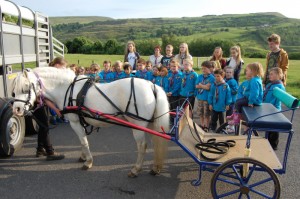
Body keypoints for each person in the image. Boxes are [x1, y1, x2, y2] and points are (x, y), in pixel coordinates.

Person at [34, 57, 66, 160]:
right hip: (38, 103)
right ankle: (50, 152)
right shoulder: (47, 76)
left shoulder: (50, 75)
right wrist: (56, 110)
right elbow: (45, 98)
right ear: (57, 66)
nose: (64, 70)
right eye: (63, 67)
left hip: (41, 103)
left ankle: (40, 149)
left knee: (43, 126)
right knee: (45, 126)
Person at [227, 62, 264, 130]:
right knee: (238, 101)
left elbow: (255, 93)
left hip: (254, 100)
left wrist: (251, 102)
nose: (246, 72)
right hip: (252, 99)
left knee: (238, 103)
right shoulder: (256, 79)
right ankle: (234, 115)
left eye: (247, 70)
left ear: (253, 71)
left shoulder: (254, 80)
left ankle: (237, 118)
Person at [263, 67, 285, 150]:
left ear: (278, 75)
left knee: (274, 128)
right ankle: (268, 141)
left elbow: (275, 100)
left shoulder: (279, 86)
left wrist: (265, 106)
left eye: (272, 74)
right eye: (269, 74)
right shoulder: (270, 84)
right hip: (268, 108)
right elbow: (264, 94)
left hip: (274, 110)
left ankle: (273, 145)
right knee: (269, 126)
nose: (269, 76)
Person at [195, 61, 215, 132]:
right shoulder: (200, 76)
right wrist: (204, 86)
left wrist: (201, 85)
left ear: (210, 69)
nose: (203, 70)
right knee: (201, 113)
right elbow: (196, 86)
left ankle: (207, 126)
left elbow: (209, 88)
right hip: (200, 98)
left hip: (207, 99)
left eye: (205, 68)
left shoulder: (212, 78)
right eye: (202, 68)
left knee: (206, 114)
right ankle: (202, 125)